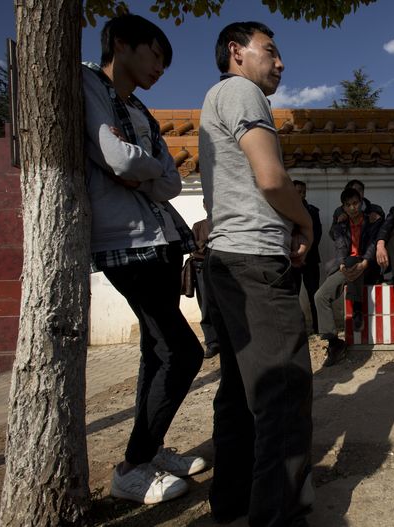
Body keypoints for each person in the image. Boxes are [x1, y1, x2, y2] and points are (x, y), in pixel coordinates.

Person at [83, 14, 206, 504]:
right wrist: (141, 166)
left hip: (159, 239)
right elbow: (116, 159)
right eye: (155, 55)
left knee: (157, 351)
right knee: (183, 351)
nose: (160, 68)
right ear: (121, 43)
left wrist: (143, 169)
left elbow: (170, 181)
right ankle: (132, 466)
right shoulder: (88, 84)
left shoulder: (140, 110)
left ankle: (148, 452)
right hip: (124, 242)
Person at [199, 21, 314, 525]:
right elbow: (271, 179)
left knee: (239, 393)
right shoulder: (243, 92)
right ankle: (277, 515)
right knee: (283, 394)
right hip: (255, 262)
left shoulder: (215, 99)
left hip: (227, 261)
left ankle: (233, 501)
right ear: (237, 52)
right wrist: (305, 220)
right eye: (270, 50)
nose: (281, 62)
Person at [314, 187, 383, 366]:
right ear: (343, 207)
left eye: (355, 203)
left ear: (361, 203)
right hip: (348, 266)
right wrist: (342, 265)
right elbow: (340, 248)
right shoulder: (340, 225)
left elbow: (373, 245)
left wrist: (364, 263)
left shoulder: (372, 220)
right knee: (320, 296)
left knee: (353, 260)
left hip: (368, 266)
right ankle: (334, 343)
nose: (352, 208)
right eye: (348, 205)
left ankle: (357, 307)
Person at [292, 180, 323, 333]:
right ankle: (295, 328)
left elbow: (317, 235)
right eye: (298, 192)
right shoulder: (285, 210)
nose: (302, 195)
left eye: (304, 192)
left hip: (310, 258)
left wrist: (305, 252)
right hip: (292, 259)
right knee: (292, 295)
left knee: (314, 294)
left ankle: (318, 328)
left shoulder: (312, 211)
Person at [191, 202, 220, 358]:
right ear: (204, 205)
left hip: (224, 268)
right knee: (206, 306)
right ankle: (212, 342)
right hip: (202, 268)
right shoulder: (198, 226)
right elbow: (192, 246)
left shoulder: (224, 224)